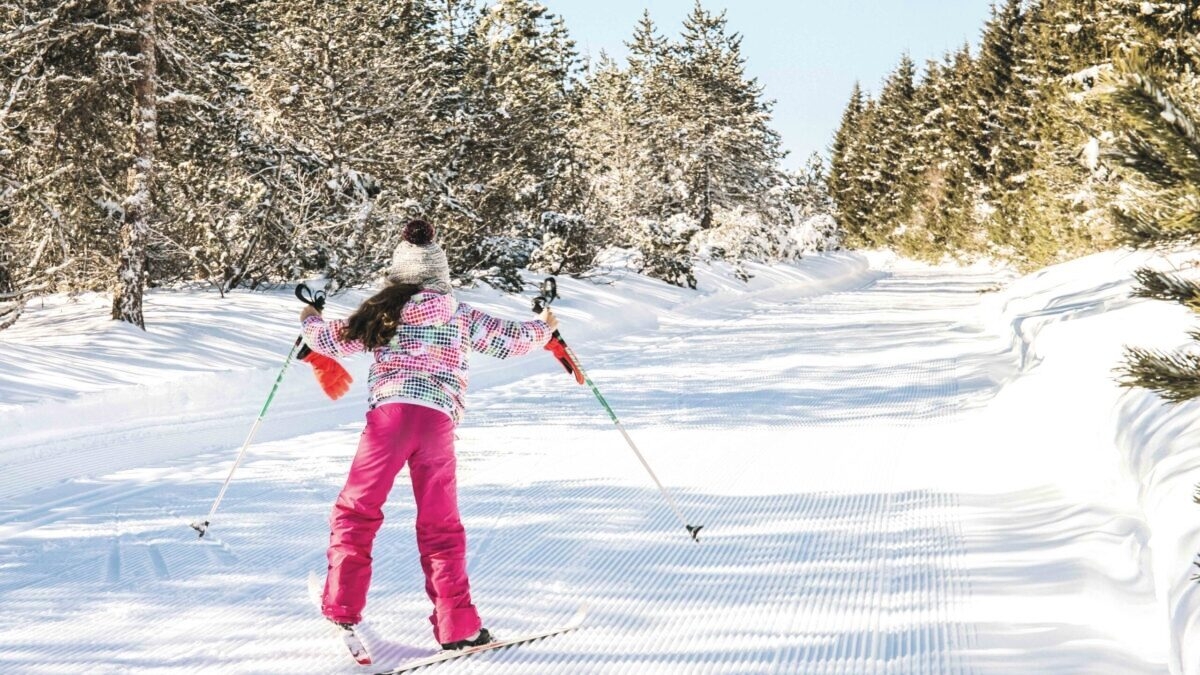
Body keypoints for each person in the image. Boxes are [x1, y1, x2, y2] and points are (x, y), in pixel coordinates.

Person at [298, 219, 557, 650]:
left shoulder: (380, 315)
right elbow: (511, 339)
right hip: (437, 424)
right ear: (441, 276)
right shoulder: (459, 314)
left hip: (388, 422)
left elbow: (329, 339)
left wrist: (309, 318)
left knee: (356, 512)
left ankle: (341, 607)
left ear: (397, 277)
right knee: (441, 527)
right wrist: (546, 325)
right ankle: (458, 627)